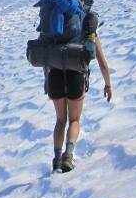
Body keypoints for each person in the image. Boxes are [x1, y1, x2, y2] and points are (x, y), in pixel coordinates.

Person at [47, 34, 112, 172]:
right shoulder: (88, 30)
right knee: (74, 120)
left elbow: (46, 59)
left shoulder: (54, 29)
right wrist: (108, 85)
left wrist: (47, 81)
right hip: (76, 76)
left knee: (60, 120)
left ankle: (57, 159)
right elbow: (102, 63)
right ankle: (68, 156)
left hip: (54, 76)